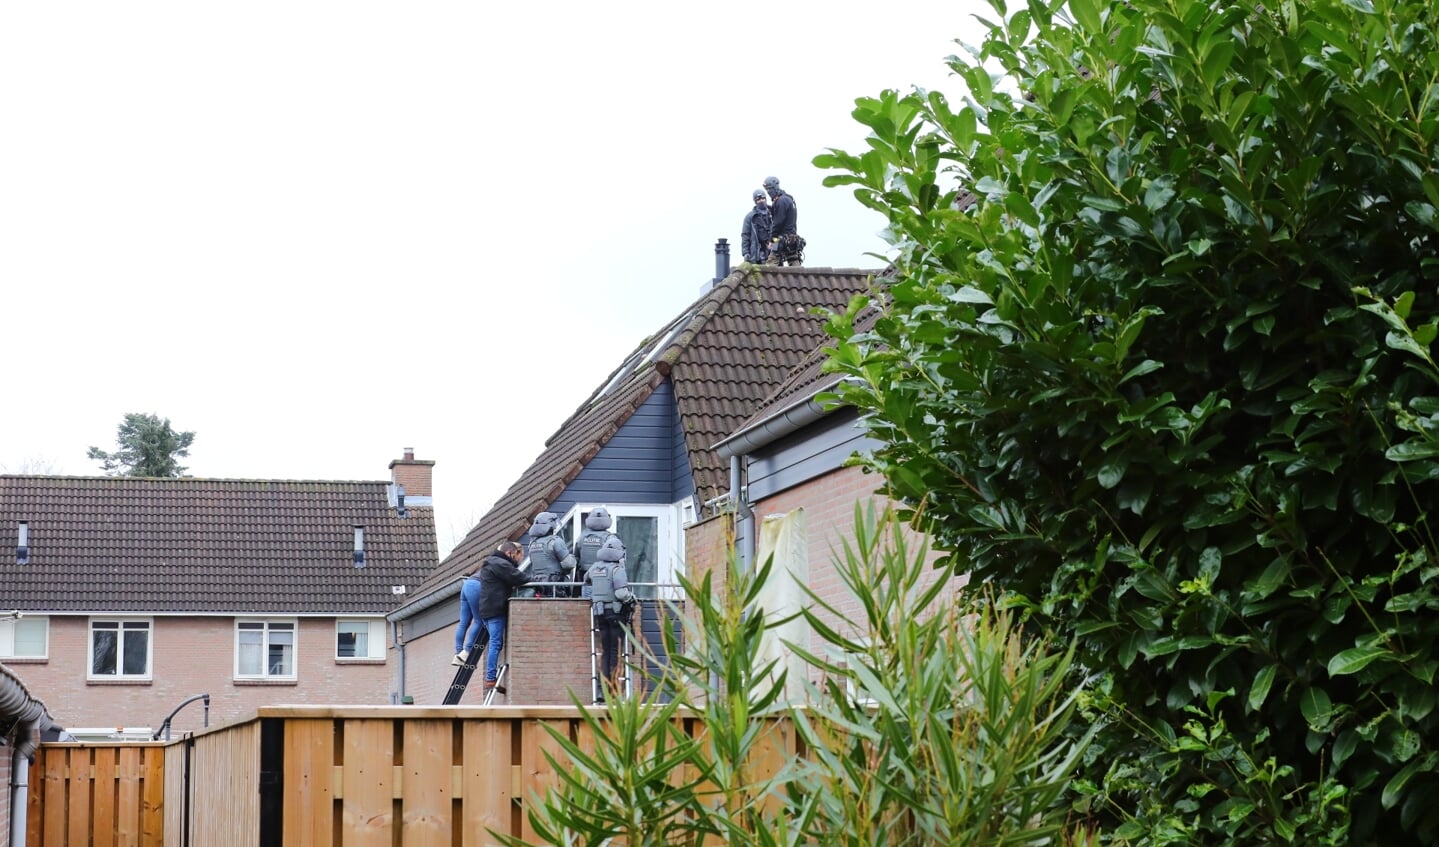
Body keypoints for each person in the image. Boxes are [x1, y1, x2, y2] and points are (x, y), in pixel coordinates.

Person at [585, 535, 636, 701]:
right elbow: (621, 593)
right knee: (615, 652)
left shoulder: (594, 568)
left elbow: (586, 580)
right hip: (615, 614)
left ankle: (602, 690)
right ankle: (614, 690)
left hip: (600, 615)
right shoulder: (617, 569)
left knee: (605, 652)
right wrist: (631, 599)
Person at [476, 540, 531, 691]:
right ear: (509, 553)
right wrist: (534, 579)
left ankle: (492, 675)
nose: (515, 559)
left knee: (495, 643)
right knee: (496, 643)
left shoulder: (491, 562)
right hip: (495, 609)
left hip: (486, 609)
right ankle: (491, 678)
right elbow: (518, 578)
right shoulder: (501, 564)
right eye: (515, 556)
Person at [526, 511, 577, 597]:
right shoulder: (555, 541)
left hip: (538, 586)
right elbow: (568, 564)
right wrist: (574, 558)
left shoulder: (532, 544)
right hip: (556, 586)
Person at [573, 506, 618, 599]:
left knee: (586, 606)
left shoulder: (581, 537)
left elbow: (576, 559)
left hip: (586, 578)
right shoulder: (611, 539)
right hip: (604, 578)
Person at [762, 176, 805, 266]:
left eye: (769, 189)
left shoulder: (780, 202)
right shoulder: (789, 199)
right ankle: (799, 279)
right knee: (794, 261)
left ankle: (768, 280)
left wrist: (771, 240)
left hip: (779, 238)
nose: (768, 192)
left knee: (771, 261)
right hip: (793, 238)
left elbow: (777, 223)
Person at [451, 564, 484, 666]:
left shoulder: (482, 565)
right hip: (476, 587)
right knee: (479, 621)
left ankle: (458, 653)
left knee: (463, 623)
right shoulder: (498, 564)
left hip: (466, 585)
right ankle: (466, 652)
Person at [740, 189, 772, 263]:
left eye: (763, 198)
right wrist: (746, 253)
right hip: (758, 253)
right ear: (755, 201)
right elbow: (745, 236)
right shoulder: (750, 217)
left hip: (773, 253)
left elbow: (778, 232)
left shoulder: (773, 214)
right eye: (758, 199)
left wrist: (773, 242)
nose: (761, 201)